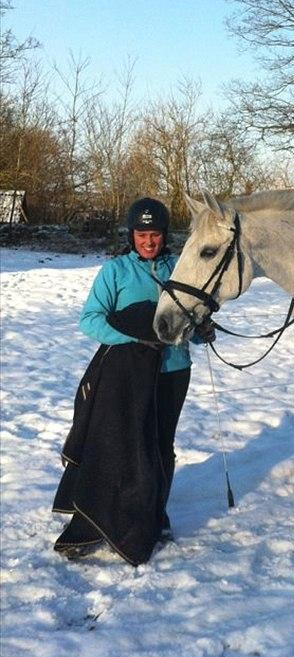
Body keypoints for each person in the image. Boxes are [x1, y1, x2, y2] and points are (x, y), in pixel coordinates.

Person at [52, 197, 215, 565]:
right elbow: (90, 320)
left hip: (173, 371)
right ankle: (98, 519)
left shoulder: (179, 268)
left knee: (161, 446)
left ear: (164, 235)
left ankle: (155, 516)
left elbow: (191, 320)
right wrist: (134, 338)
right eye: (141, 234)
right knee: (120, 445)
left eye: (154, 234)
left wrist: (203, 331)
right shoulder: (115, 272)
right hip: (127, 377)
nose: (148, 241)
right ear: (132, 236)